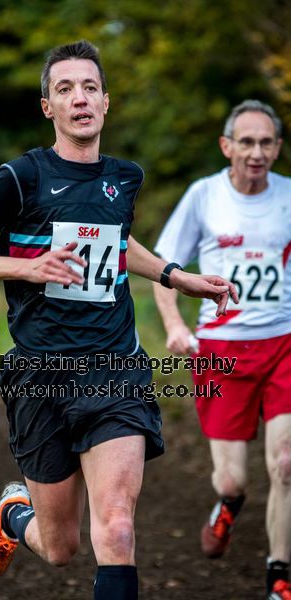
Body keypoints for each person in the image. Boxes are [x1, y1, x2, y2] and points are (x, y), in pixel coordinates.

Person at [0, 40, 237, 600]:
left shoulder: (124, 178)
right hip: (40, 374)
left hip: (114, 369)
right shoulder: (20, 177)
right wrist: (26, 268)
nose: (80, 98)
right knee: (59, 546)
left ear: (106, 102)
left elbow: (118, 242)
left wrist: (179, 275)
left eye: (90, 87)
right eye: (65, 89)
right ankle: (12, 516)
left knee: (118, 527)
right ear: (48, 106)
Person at [153, 99, 291, 600]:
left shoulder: (289, 197)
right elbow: (164, 269)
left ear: (277, 148)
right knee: (231, 478)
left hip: (283, 346)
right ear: (226, 146)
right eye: (247, 142)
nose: (257, 152)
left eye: (267, 142)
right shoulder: (203, 196)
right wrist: (173, 325)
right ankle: (230, 503)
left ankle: (279, 577)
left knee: (286, 463)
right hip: (221, 351)